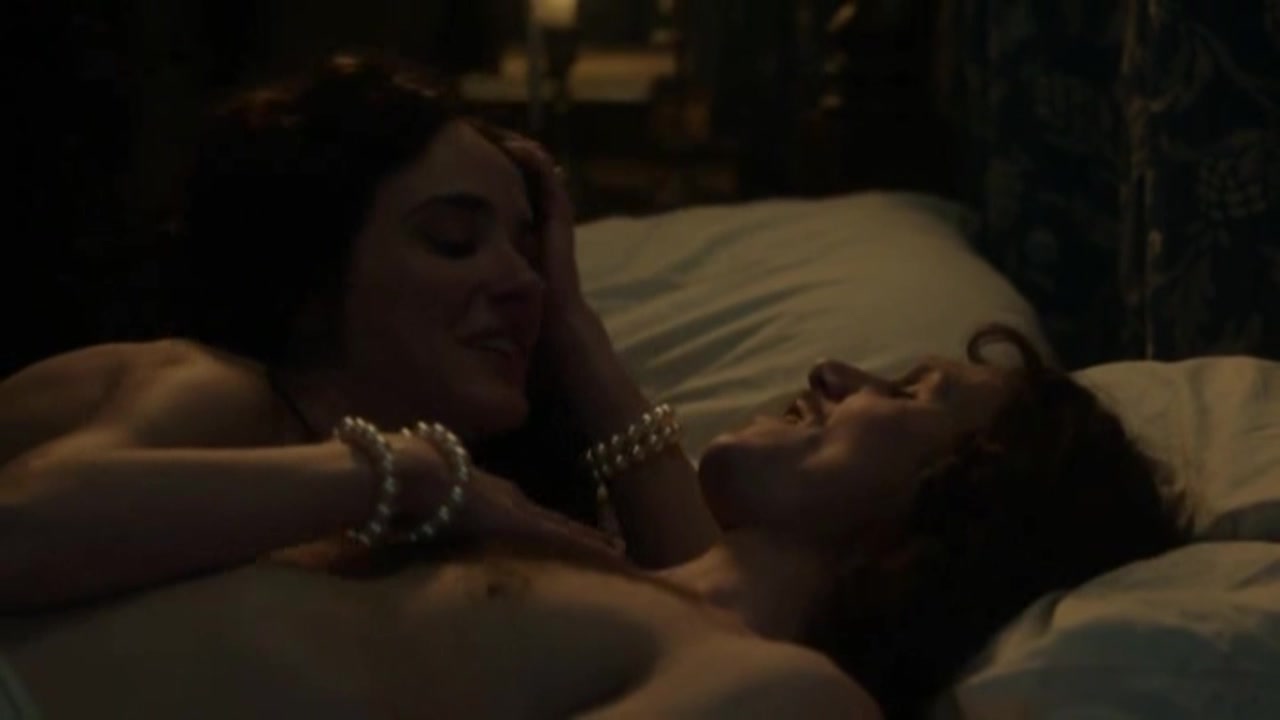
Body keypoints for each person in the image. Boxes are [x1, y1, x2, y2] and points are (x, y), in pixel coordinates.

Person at [0, 55, 1186, 718]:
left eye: (907, 391)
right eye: (456, 242)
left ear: (954, 503)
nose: (832, 369)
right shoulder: (613, 576)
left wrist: (417, 472)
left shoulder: (775, 689)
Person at [0, 54, 720, 614]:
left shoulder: (486, 485)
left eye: (529, 252)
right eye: (452, 239)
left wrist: (576, 333)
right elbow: (18, 528)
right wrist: (408, 474)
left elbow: (715, 618)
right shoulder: (225, 392)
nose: (523, 283)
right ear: (313, 278)